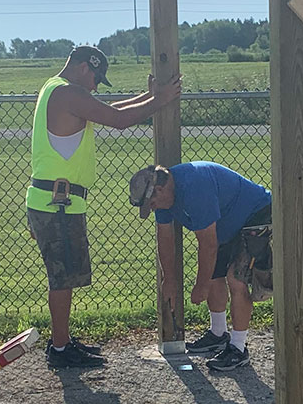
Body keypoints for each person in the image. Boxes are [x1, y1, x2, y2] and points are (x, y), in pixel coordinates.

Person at [28, 46, 180, 369]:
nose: (96, 86)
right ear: (84, 67)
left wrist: (147, 97)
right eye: (96, 78)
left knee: (65, 275)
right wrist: (160, 100)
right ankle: (58, 348)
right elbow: (119, 120)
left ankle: (63, 341)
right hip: (57, 204)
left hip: (57, 201)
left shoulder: (56, 90)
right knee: (61, 278)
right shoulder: (68, 93)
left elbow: (110, 109)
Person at [129, 161, 271, 372]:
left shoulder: (195, 187)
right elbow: (165, 237)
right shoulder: (165, 198)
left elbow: (208, 245)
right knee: (214, 275)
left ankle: (239, 349)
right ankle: (218, 334)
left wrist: (201, 286)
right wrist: (169, 278)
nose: (152, 208)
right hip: (224, 224)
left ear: (159, 189)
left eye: (151, 203)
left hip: (256, 214)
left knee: (236, 278)